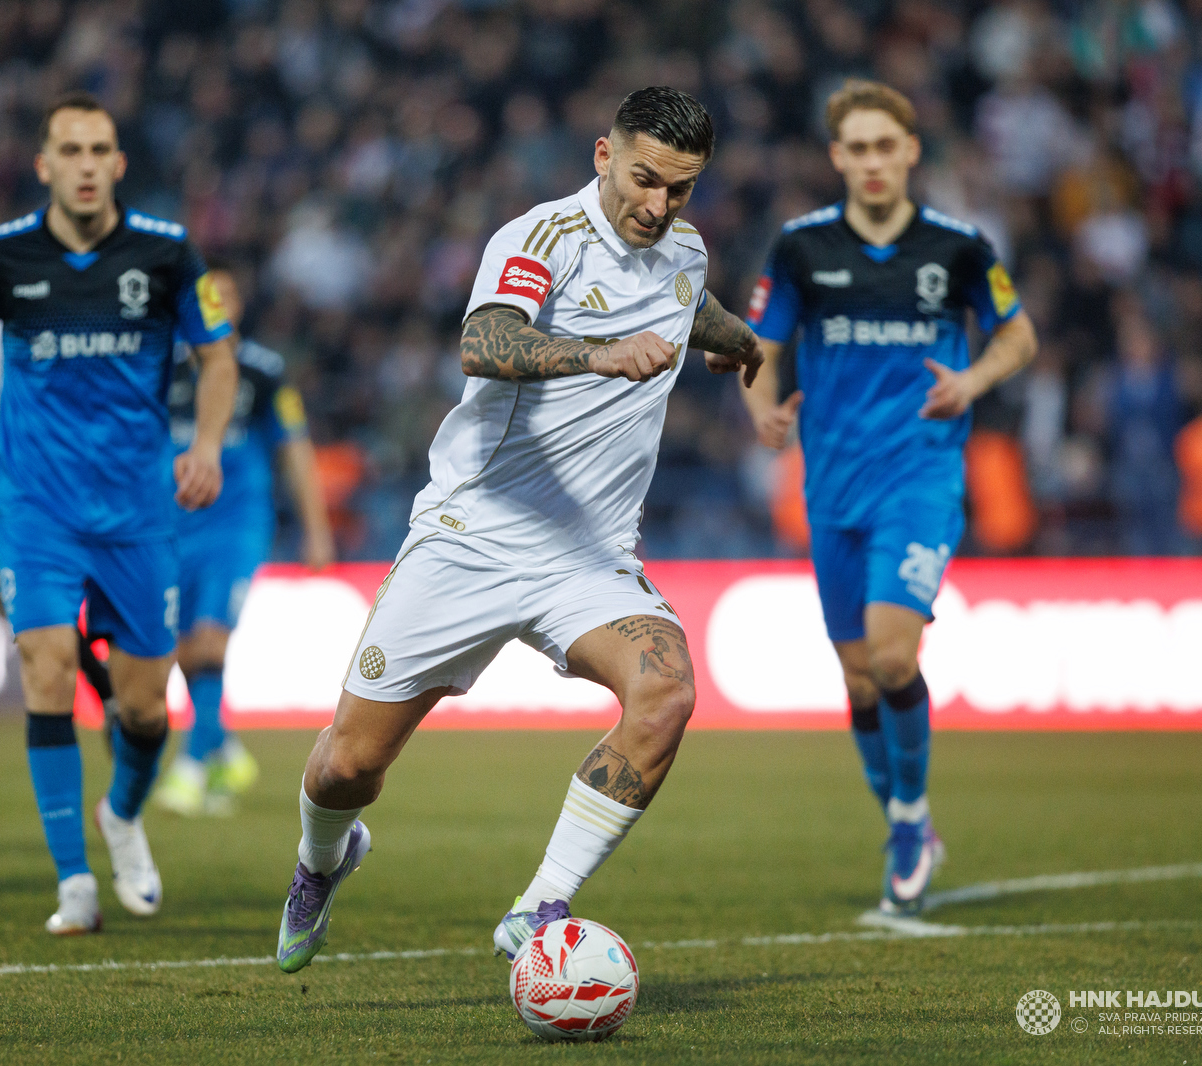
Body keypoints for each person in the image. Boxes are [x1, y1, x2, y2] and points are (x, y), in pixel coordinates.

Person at [273, 86, 764, 973]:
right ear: (603, 156)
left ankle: (538, 909)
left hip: (590, 559)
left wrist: (740, 341)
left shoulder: (685, 250)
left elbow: (689, 304)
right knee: (347, 766)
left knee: (666, 693)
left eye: (680, 189)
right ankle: (321, 860)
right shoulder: (541, 239)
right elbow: (486, 342)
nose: (659, 205)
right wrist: (596, 354)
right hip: (472, 538)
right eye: (645, 179)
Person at [0, 92, 238, 935]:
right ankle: (74, 883)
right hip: (38, 507)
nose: (85, 165)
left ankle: (120, 814)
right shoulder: (2, 256)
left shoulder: (166, 252)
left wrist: (205, 445)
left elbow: (217, 355)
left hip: (137, 512)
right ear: (44, 165)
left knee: (145, 709)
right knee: (47, 669)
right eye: (70, 150)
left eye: (99, 151)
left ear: (117, 164)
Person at [740, 80, 1037, 914]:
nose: (872, 161)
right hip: (832, 489)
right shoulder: (801, 248)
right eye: (857, 148)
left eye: (885, 146)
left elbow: (1018, 334)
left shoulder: (958, 248)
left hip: (920, 478)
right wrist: (763, 413)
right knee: (860, 679)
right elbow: (761, 347)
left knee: (893, 655)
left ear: (910, 152)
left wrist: (972, 380)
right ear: (838, 157)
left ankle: (908, 819)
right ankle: (906, 818)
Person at [150, 259, 336, 816]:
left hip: (235, 523)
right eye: (207, 295)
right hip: (170, 526)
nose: (218, 305)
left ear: (238, 305)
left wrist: (316, 529)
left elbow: (295, 448)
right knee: (185, 651)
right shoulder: (160, 368)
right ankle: (224, 749)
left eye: (227, 295)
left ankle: (189, 767)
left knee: (210, 642)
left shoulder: (261, 371)